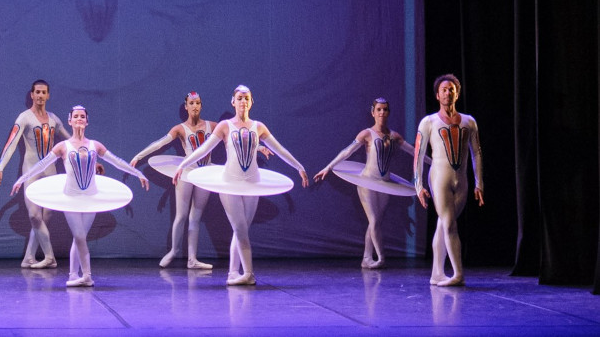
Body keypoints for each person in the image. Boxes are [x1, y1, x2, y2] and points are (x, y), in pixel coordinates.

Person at [175, 85, 309, 286]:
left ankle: (232, 272)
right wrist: (183, 165)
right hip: (230, 183)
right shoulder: (225, 126)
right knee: (239, 229)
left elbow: (279, 149)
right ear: (233, 102)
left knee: (242, 230)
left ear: (251, 102)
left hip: (252, 185)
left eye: (246, 98)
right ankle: (249, 274)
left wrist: (299, 166)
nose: (243, 101)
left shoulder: (259, 127)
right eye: (239, 98)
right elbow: (204, 149)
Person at [11, 105, 149, 287]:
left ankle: (73, 275)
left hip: (91, 198)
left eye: (82, 116)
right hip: (71, 198)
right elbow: (42, 164)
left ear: (87, 121)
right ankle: (87, 276)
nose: (79, 119)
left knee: (80, 237)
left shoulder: (95, 145)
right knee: (79, 235)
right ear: (69, 121)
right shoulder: (63, 146)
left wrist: (138, 173)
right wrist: (22, 179)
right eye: (75, 116)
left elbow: (116, 162)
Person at [313, 97, 429, 268]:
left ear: (388, 112)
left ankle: (366, 258)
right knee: (374, 221)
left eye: (385, 109)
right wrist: (328, 167)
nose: (382, 112)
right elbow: (347, 152)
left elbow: (415, 153)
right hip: (367, 182)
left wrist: (435, 163)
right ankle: (381, 258)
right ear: (373, 112)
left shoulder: (394, 136)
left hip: (384, 184)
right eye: (379, 109)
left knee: (375, 223)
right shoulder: (366, 134)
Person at [0, 80, 71, 269]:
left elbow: (71, 142)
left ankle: (29, 258)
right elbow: (11, 144)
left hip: (50, 172)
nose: (40, 95)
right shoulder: (24, 117)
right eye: (37, 92)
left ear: (48, 95)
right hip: (31, 171)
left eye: (43, 92)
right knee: (34, 215)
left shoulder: (54, 119)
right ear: (32, 95)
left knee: (46, 216)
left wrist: (91, 158)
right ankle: (50, 257)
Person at [130, 91, 218, 269]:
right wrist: (139, 156)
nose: (195, 106)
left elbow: (233, 137)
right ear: (186, 107)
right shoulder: (180, 129)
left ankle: (192, 259)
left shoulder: (213, 126)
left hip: (204, 173)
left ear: (201, 105)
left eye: (198, 103)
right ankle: (174, 250)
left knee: (195, 217)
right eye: (191, 103)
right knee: (181, 215)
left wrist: (258, 148)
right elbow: (160, 143)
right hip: (186, 173)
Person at [413, 74, 483, 287]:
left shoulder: (469, 121)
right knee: (450, 223)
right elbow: (418, 154)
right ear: (437, 95)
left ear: (457, 94)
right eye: (444, 90)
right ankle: (458, 274)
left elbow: (476, 153)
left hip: (461, 180)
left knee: (443, 223)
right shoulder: (429, 122)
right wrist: (418, 185)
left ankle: (436, 274)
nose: (447, 93)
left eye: (451, 89)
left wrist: (479, 183)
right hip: (439, 178)